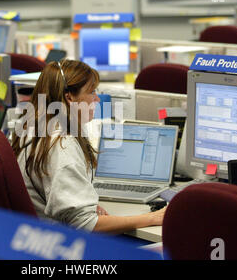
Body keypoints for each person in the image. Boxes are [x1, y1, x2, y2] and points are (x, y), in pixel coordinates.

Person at [12, 60, 166, 234]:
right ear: (69, 97)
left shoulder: (34, 126)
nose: (97, 99)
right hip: (60, 245)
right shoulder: (62, 145)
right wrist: (153, 218)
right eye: (91, 92)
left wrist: (82, 200)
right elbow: (85, 225)